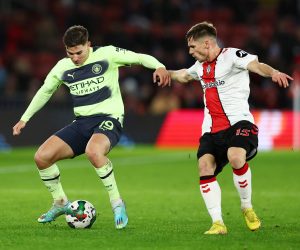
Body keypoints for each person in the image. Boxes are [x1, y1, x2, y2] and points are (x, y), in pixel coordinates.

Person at [12, 25, 171, 229]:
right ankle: (60, 202)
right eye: (71, 53)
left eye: (79, 52)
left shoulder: (108, 54)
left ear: (88, 45)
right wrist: (24, 119)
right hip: (82, 122)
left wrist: (159, 66)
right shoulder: (62, 67)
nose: (76, 58)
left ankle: (117, 204)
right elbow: (45, 91)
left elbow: (140, 57)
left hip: (109, 118)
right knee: (41, 157)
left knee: (93, 151)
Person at [159, 21, 293, 234]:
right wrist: (165, 72)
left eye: (192, 47)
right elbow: (183, 75)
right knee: (204, 167)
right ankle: (218, 223)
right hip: (211, 129)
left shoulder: (232, 56)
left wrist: (274, 72)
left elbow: (257, 66)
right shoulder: (199, 67)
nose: (190, 51)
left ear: (206, 43)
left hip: (240, 123)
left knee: (236, 157)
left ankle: (246, 207)